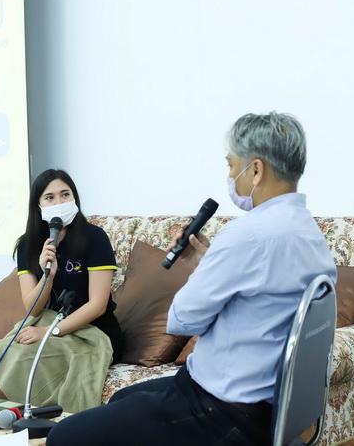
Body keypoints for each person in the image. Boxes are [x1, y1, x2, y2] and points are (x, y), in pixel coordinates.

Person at [46, 112, 337, 445]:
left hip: (219, 410)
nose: (230, 176)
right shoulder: (309, 233)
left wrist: (205, 266)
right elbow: (260, 291)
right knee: (121, 397)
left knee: (64, 436)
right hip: (269, 410)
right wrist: (208, 261)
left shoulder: (247, 234)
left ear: (256, 170)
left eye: (232, 165)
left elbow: (182, 320)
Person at [13, 168, 124, 363]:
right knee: (6, 354)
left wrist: (49, 332)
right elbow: (32, 309)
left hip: (95, 331)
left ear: (74, 198)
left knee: (30, 359)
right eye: (49, 198)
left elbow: (98, 305)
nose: (59, 202)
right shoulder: (27, 245)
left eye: (65, 195)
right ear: (38, 205)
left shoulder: (95, 237)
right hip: (47, 325)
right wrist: (48, 277)